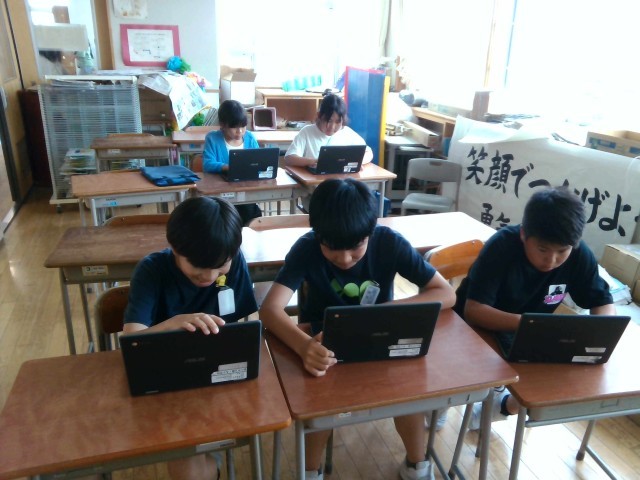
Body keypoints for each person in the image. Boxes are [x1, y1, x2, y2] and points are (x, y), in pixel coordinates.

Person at [259, 178, 456, 480]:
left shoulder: (388, 242)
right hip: (323, 345)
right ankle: (310, 472)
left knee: (408, 395)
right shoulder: (307, 248)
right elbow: (270, 310)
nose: (345, 259)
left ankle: (417, 466)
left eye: (356, 248)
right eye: (332, 249)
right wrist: (303, 346)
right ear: (317, 234)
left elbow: (446, 293)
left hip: (380, 338)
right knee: (321, 407)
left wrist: (385, 312)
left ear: (370, 232)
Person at [455, 186, 615, 429]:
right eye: (542, 249)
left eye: (562, 251)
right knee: (472, 375)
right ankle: (446, 403)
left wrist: (600, 331)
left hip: (528, 333)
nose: (551, 260)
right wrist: (534, 325)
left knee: (565, 375)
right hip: (476, 329)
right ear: (523, 234)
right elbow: (474, 310)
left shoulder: (579, 255)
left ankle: (502, 407)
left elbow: (602, 301)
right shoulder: (502, 246)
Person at [124, 196, 258, 480]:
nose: (209, 275)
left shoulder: (234, 263)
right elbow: (132, 340)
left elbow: (240, 328)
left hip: (216, 375)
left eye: (220, 266)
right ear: (175, 247)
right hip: (167, 379)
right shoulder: (152, 271)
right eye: (198, 266)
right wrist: (174, 324)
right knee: (185, 454)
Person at [202, 99, 262, 225]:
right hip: (221, 193)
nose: (239, 131)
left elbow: (258, 160)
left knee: (249, 214)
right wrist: (228, 167)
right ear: (222, 125)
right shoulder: (213, 138)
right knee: (225, 218)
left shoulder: (250, 138)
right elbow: (207, 164)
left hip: (246, 190)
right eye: (234, 127)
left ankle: (245, 233)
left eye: (243, 126)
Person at [284, 93, 373, 169]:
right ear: (319, 116)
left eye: (338, 122)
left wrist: (357, 162)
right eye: (328, 121)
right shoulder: (307, 132)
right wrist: (316, 161)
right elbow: (289, 158)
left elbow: (368, 153)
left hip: (340, 180)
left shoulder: (346, 132)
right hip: (314, 181)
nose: (332, 127)